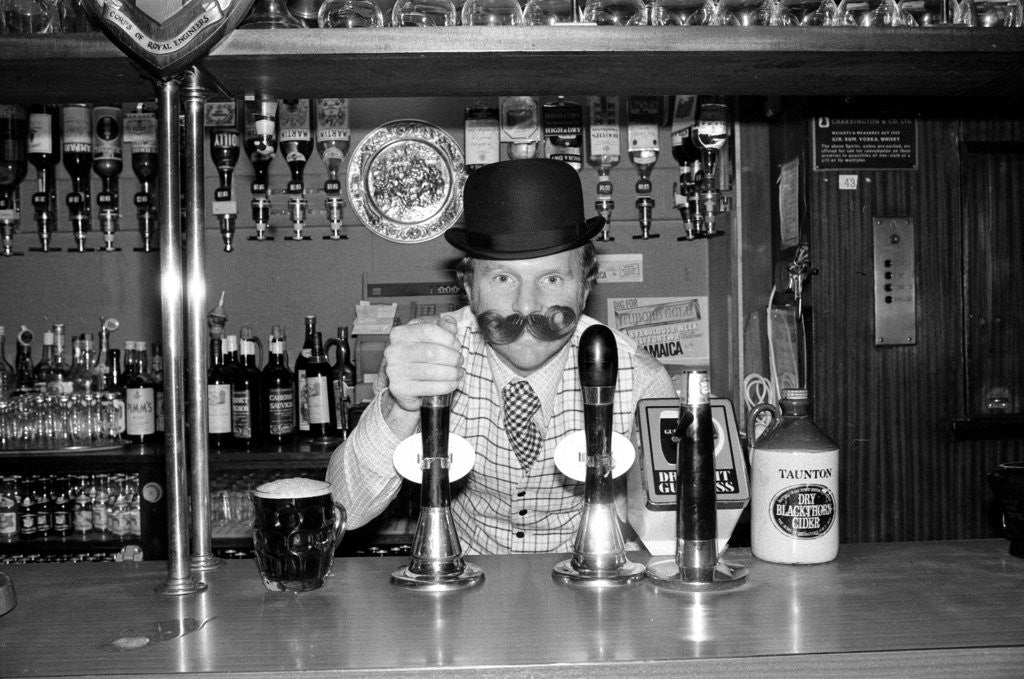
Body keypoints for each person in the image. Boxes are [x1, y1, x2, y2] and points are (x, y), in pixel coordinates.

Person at [327, 158, 676, 555]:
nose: (526, 306)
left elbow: (668, 530)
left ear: (585, 287)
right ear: (469, 286)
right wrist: (399, 406)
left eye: (552, 279)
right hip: (465, 594)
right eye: (503, 278)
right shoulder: (427, 358)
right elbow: (345, 509)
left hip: (593, 589)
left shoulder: (639, 378)